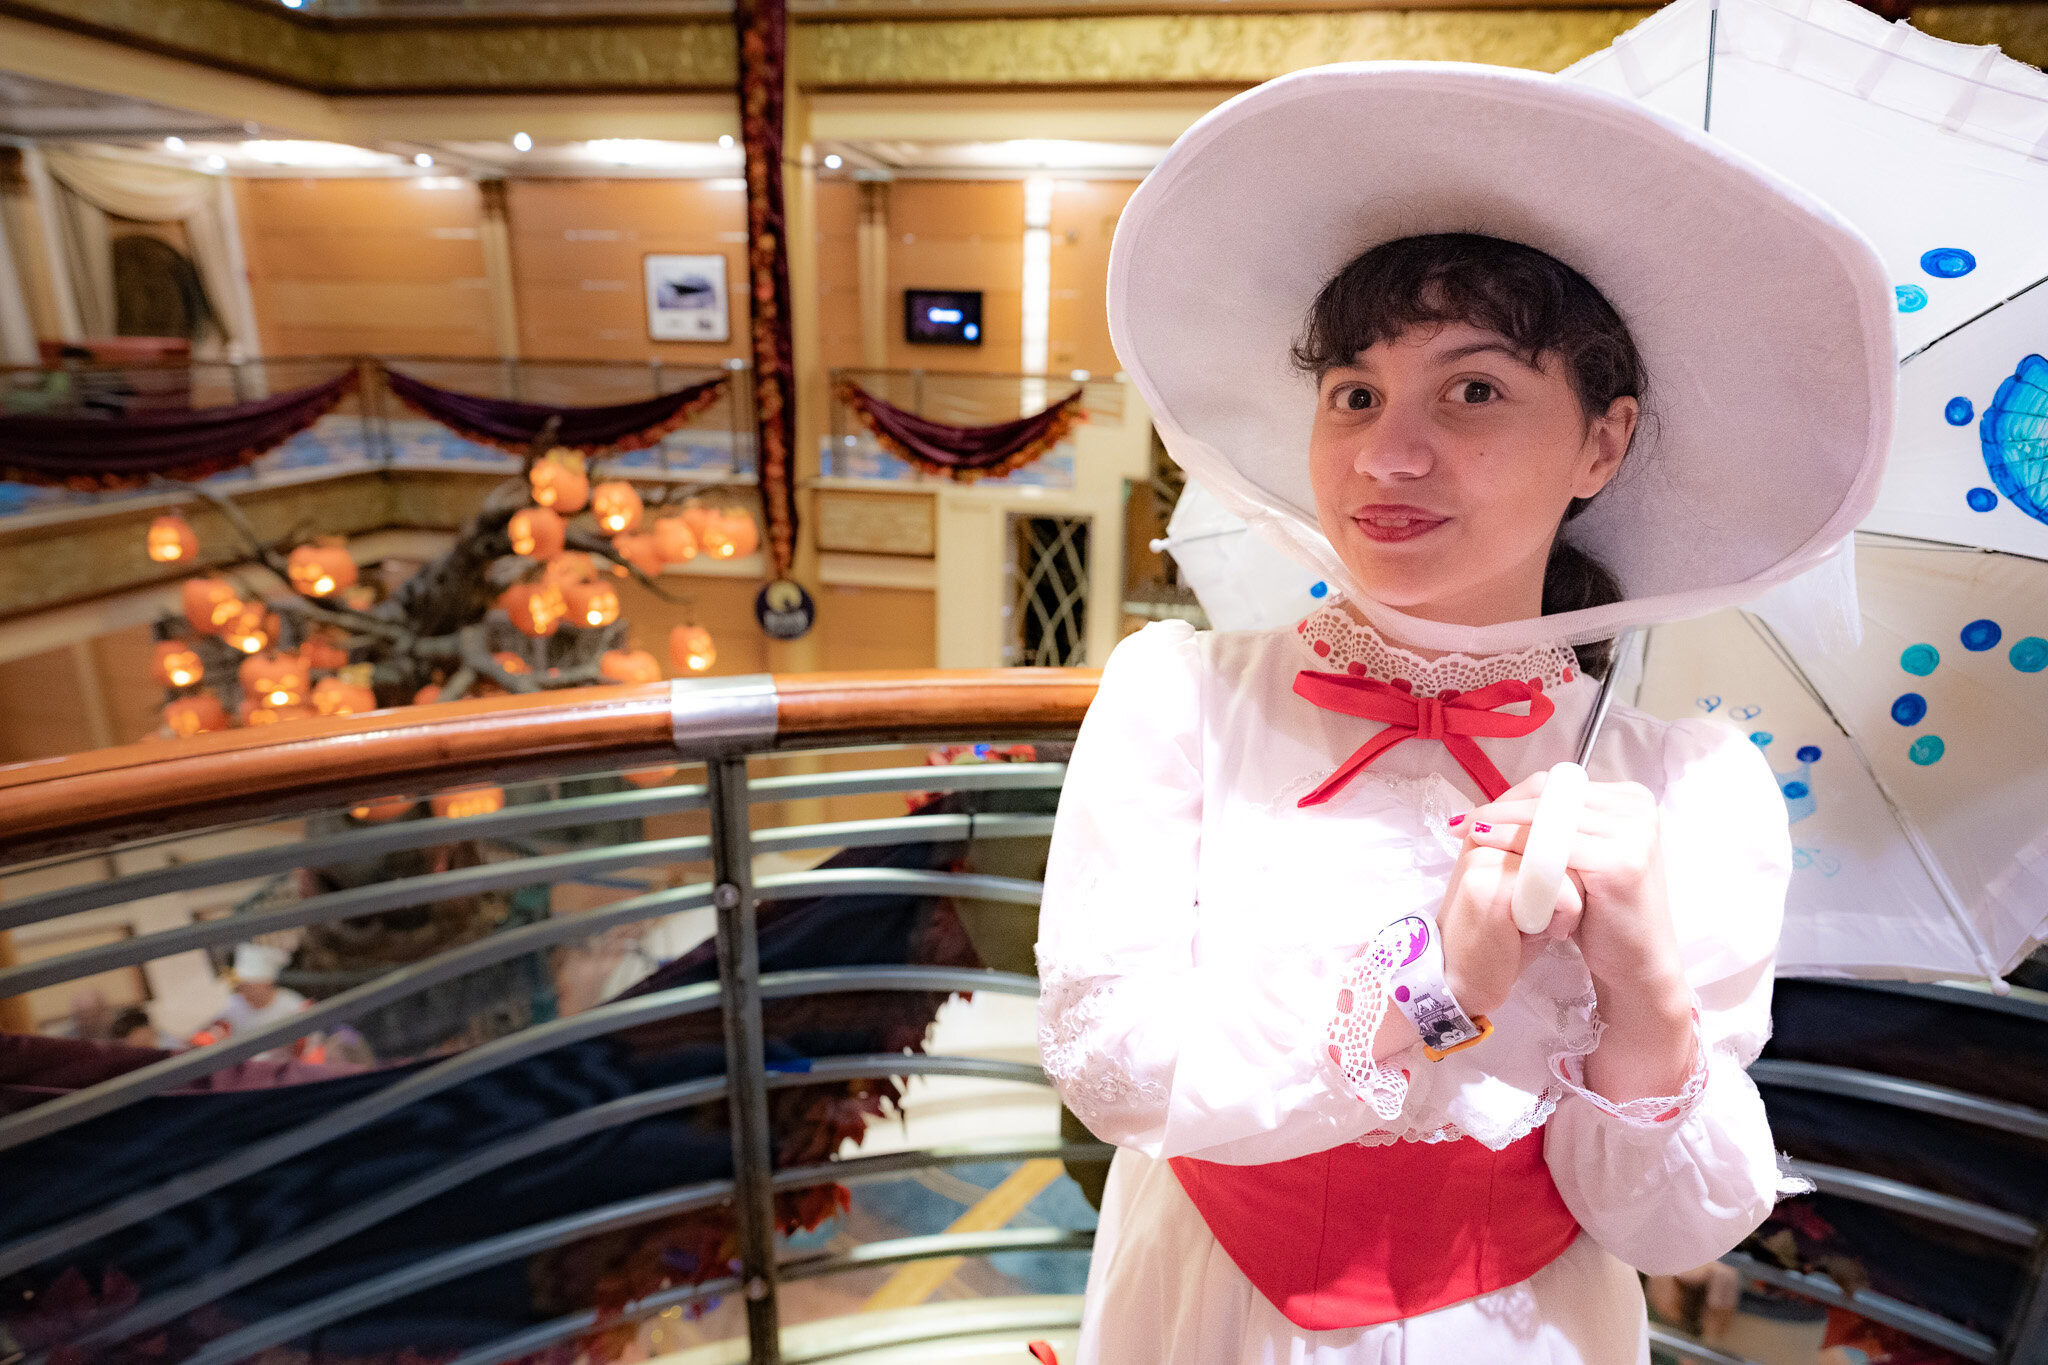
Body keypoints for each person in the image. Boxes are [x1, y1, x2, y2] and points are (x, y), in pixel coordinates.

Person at [1035, 63, 1893, 1364]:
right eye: (1356, 393)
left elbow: (1675, 1232)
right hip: (1206, 1309)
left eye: (1474, 390)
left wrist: (1646, 991)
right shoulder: (1182, 700)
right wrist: (1441, 985)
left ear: (1601, 445)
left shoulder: (1679, 792)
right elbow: (1113, 1070)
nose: (1388, 455)